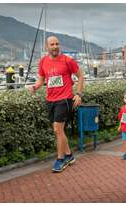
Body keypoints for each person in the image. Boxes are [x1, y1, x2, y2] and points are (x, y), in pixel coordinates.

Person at [28, 36, 84, 172]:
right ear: (47, 47)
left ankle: (61, 159)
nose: (55, 46)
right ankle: (69, 155)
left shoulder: (67, 60)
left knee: (58, 129)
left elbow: (80, 76)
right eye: (52, 44)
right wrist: (35, 87)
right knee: (58, 130)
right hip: (50, 100)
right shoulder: (43, 61)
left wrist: (78, 94)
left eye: (57, 44)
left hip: (64, 99)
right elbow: (41, 80)